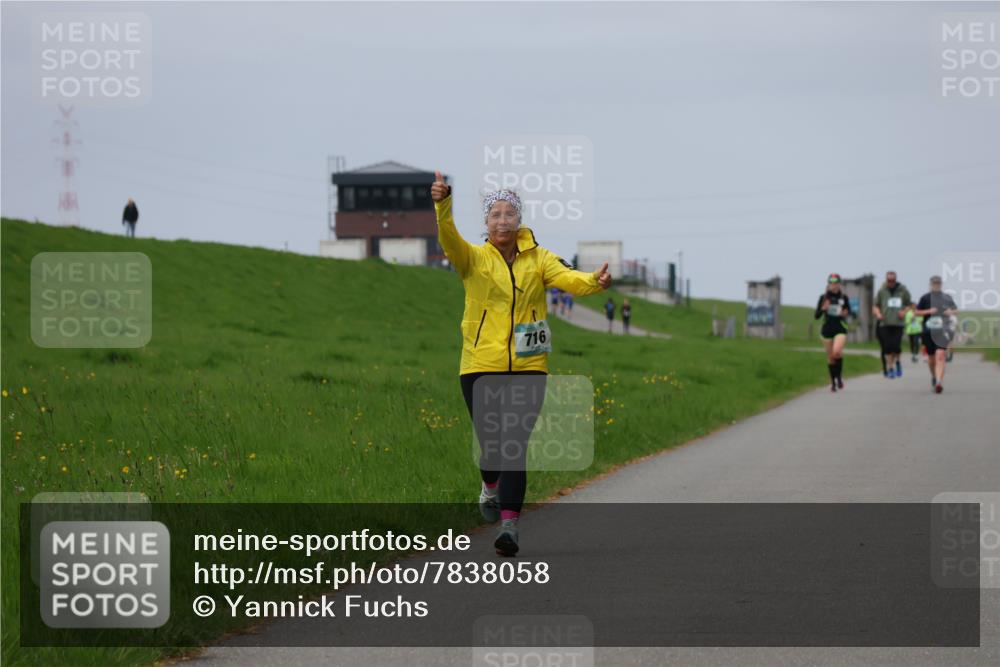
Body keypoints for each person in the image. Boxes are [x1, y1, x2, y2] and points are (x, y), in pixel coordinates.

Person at [431, 171, 612, 556]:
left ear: (519, 219)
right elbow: (448, 239)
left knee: (513, 444)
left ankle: (509, 527)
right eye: (495, 214)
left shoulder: (539, 259)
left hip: (529, 366)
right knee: (492, 446)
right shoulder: (472, 259)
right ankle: (489, 486)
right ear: (486, 222)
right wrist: (442, 205)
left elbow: (569, 278)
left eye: (509, 213)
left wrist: (594, 281)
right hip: (480, 364)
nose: (502, 221)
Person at [914, 275, 959, 394]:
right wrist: (928, 311)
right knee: (931, 358)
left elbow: (956, 310)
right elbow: (916, 312)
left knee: (940, 354)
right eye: (934, 283)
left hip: (943, 330)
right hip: (928, 330)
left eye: (938, 283)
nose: (936, 285)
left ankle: (939, 382)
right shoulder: (925, 298)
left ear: (941, 285)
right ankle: (934, 376)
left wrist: (950, 311)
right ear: (930, 285)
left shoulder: (947, 297)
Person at [814, 273, 851, 392]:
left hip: (840, 328)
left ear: (839, 284)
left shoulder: (844, 297)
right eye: (831, 282)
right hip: (827, 329)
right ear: (828, 284)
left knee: (837, 351)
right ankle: (833, 383)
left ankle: (839, 378)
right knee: (831, 357)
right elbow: (816, 316)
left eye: (835, 282)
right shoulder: (823, 298)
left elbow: (849, 312)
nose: (833, 285)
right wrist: (823, 309)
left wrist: (845, 313)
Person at [872, 271, 913, 379]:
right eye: (889, 280)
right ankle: (890, 368)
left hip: (898, 323)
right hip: (884, 323)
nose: (891, 282)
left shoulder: (903, 291)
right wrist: (878, 314)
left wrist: (904, 312)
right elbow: (875, 306)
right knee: (887, 347)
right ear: (886, 280)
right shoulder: (882, 291)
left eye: (893, 280)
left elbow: (909, 304)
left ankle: (898, 362)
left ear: (895, 280)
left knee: (896, 346)